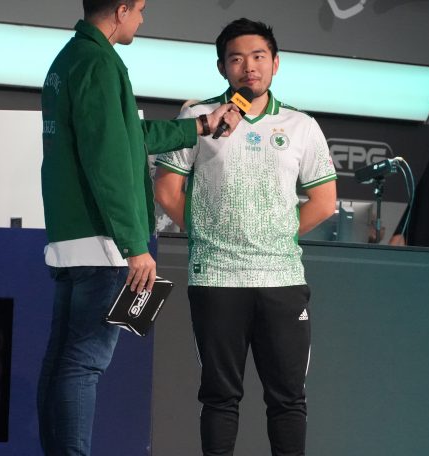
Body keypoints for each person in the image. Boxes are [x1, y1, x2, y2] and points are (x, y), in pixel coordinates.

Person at [37, 1, 241, 455]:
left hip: (76, 240)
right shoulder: (99, 62)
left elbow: (128, 136)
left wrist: (201, 126)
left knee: (64, 363)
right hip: (103, 244)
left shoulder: (71, 58)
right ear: (122, 9)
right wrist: (134, 246)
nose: (143, 19)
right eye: (141, 9)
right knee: (83, 365)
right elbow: (108, 160)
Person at [154, 18, 337, 456]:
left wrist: (272, 235)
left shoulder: (301, 125)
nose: (249, 67)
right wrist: (208, 233)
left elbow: (324, 201)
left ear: (275, 63)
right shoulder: (198, 119)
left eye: (258, 57)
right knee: (220, 397)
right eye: (236, 59)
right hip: (217, 278)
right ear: (222, 67)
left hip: (282, 280)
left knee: (288, 399)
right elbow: (166, 190)